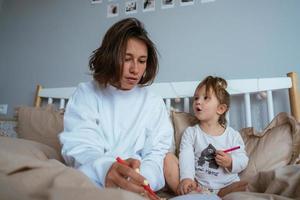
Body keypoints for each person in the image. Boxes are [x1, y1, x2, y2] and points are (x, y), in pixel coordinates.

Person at [59, 17, 173, 199]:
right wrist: (106, 170)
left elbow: (156, 154)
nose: (135, 69)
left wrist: (141, 181)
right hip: (94, 183)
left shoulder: (153, 102)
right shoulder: (86, 94)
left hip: (139, 186)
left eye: (142, 61)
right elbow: (79, 147)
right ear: (110, 57)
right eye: (127, 59)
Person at [164, 76, 249, 197]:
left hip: (225, 187)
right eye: (196, 98)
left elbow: (243, 158)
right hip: (197, 185)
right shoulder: (191, 132)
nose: (198, 101)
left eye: (205, 98)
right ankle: (191, 193)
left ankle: (206, 197)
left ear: (220, 109)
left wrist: (230, 161)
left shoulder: (232, 135)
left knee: (246, 186)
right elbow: (186, 156)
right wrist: (187, 178)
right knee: (168, 158)